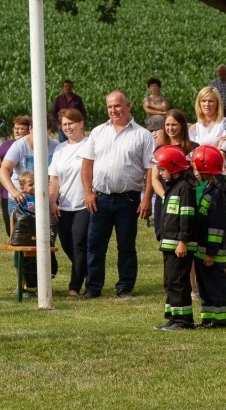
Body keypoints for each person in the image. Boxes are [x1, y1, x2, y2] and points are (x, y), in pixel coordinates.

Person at [81, 90, 155, 299]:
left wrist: (147, 198)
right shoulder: (97, 132)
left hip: (128, 199)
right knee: (95, 245)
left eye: (117, 106)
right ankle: (93, 287)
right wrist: (88, 193)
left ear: (128, 105)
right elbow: (87, 165)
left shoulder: (142, 135)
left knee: (126, 245)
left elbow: (150, 169)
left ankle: (125, 287)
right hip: (100, 198)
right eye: (110, 107)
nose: (114, 110)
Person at [0, 120, 59, 293]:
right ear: (30, 129)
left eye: (45, 129)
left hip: (45, 201)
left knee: (47, 242)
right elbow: (4, 169)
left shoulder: (55, 146)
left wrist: (53, 199)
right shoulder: (19, 146)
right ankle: (21, 284)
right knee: (21, 243)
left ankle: (45, 284)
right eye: (36, 129)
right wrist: (14, 191)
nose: (40, 133)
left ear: (49, 130)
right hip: (20, 201)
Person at [152, 145, 197, 330]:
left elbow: (186, 217)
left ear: (173, 167)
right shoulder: (173, 188)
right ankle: (173, 317)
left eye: (162, 169)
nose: (160, 173)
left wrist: (182, 241)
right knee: (170, 281)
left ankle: (183, 321)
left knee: (178, 282)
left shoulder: (184, 189)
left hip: (179, 245)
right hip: (169, 244)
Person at [191, 145, 226, 328]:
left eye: (197, 167)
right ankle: (208, 317)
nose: (196, 171)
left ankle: (219, 318)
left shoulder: (218, 192)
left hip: (212, 250)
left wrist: (211, 252)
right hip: (204, 247)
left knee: (215, 283)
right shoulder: (209, 187)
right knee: (205, 284)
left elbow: (216, 226)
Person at [49, 108, 89, 296]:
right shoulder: (60, 149)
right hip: (64, 205)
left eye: (71, 123)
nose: (67, 127)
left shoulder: (90, 145)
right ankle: (89, 272)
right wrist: (52, 202)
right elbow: (54, 179)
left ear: (81, 123)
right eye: (64, 124)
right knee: (67, 245)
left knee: (79, 244)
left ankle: (74, 287)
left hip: (84, 204)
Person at [152, 110, 198, 240]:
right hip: (164, 199)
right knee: (165, 239)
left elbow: (197, 176)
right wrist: (165, 197)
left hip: (185, 201)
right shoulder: (159, 150)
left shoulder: (193, 148)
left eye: (174, 124)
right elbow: (154, 178)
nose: (170, 128)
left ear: (182, 125)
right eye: (167, 125)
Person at [0, 115, 31, 236]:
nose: (17, 131)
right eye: (15, 128)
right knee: (11, 228)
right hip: (9, 194)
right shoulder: (7, 145)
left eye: (21, 128)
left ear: (30, 129)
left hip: (30, 194)